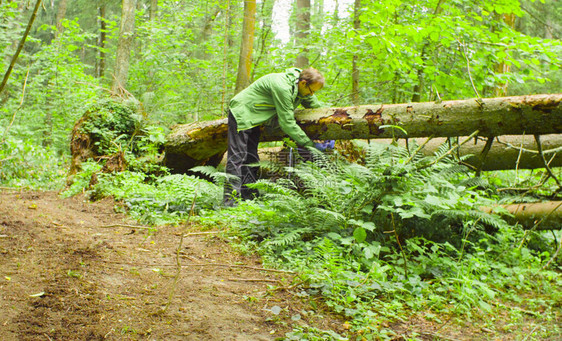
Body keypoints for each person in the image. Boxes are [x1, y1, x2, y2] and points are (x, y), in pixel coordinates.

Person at [223, 67, 327, 206]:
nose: (312, 94)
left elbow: (315, 106)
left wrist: (326, 122)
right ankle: (230, 202)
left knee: (251, 159)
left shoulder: (302, 89)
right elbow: (287, 123)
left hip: (256, 117)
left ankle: (250, 199)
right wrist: (309, 144)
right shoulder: (282, 87)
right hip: (242, 112)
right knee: (237, 157)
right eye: (311, 90)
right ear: (303, 83)